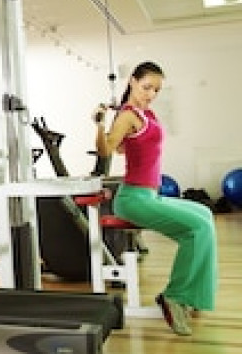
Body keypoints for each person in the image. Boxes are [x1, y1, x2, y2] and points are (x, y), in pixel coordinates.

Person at [93, 61, 217, 336]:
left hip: (151, 194)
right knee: (197, 228)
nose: (151, 94)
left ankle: (193, 296)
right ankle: (174, 297)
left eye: (156, 90)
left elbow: (128, 148)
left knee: (206, 215)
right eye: (147, 87)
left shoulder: (145, 113)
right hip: (133, 199)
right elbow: (107, 150)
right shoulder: (127, 116)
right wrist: (100, 124)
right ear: (132, 82)